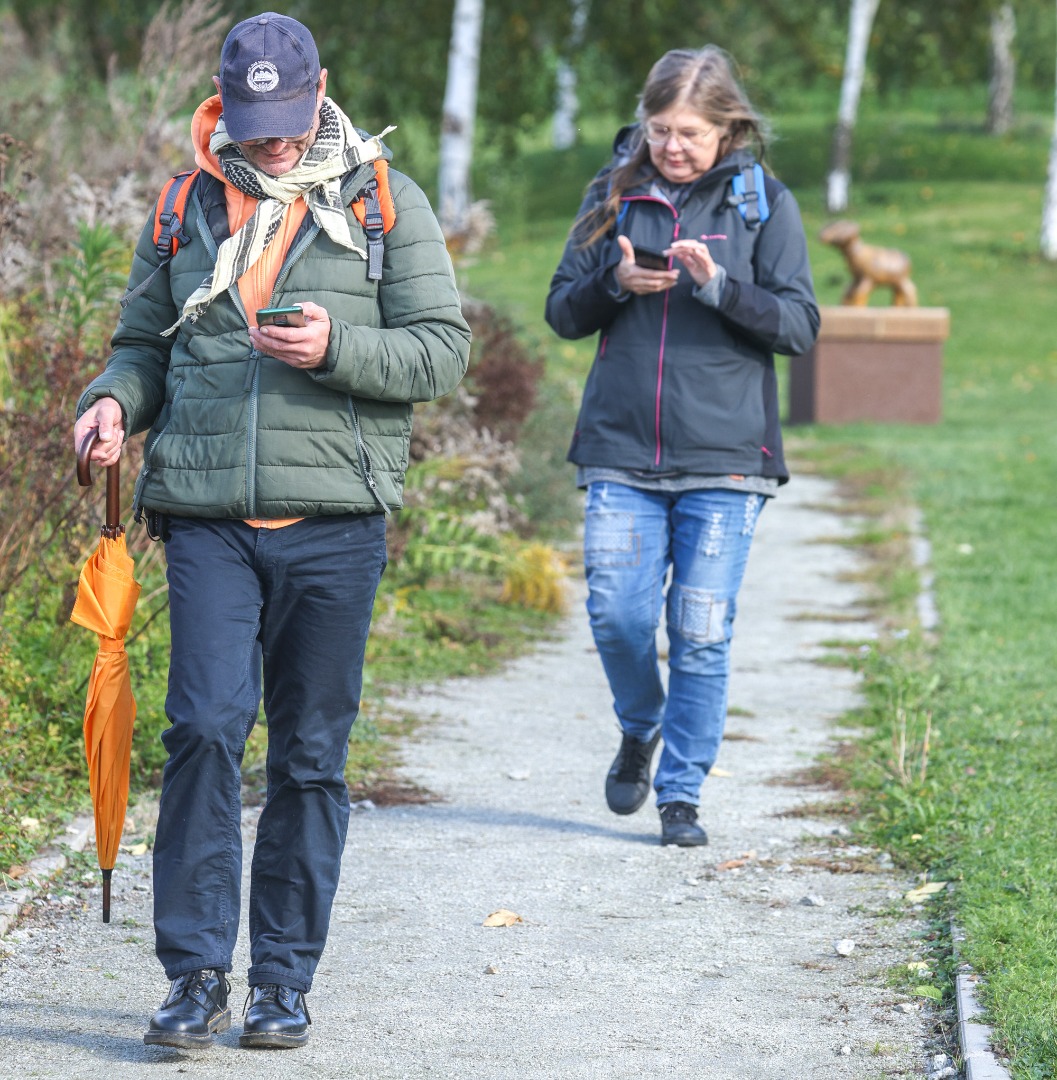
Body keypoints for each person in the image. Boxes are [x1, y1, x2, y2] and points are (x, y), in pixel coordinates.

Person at [73, 12, 470, 1050]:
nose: (274, 146)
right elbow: (141, 346)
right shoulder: (184, 206)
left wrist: (337, 347)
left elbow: (440, 353)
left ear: (320, 93)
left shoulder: (384, 201)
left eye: (289, 124)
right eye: (255, 128)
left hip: (334, 524)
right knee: (203, 730)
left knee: (308, 757)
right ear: (223, 109)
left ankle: (283, 981)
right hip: (206, 518)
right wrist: (115, 403)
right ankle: (195, 973)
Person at [544, 47, 818, 847]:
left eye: (689, 133)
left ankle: (681, 795)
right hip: (620, 451)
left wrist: (720, 288)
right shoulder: (611, 193)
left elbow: (799, 326)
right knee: (616, 616)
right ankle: (640, 724)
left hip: (727, 459)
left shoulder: (762, 203)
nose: (671, 147)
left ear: (727, 127)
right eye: (659, 130)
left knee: (700, 629)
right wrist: (612, 286)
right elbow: (562, 311)